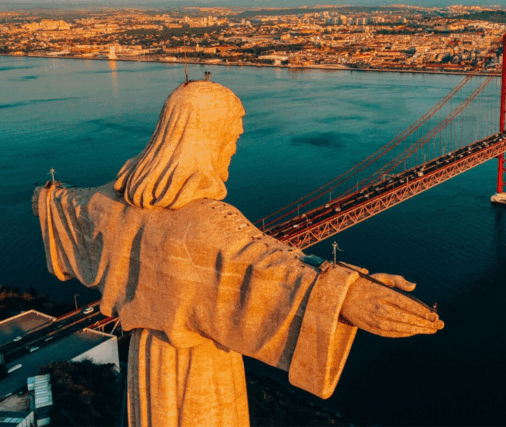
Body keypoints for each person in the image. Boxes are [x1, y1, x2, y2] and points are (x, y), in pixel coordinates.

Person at [32, 80, 443, 427]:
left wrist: (46, 199)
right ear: (204, 137)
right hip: (203, 367)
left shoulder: (110, 202)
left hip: (147, 363)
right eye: (230, 137)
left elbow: (68, 206)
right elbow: (265, 270)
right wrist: (349, 294)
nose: (233, 147)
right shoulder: (208, 222)